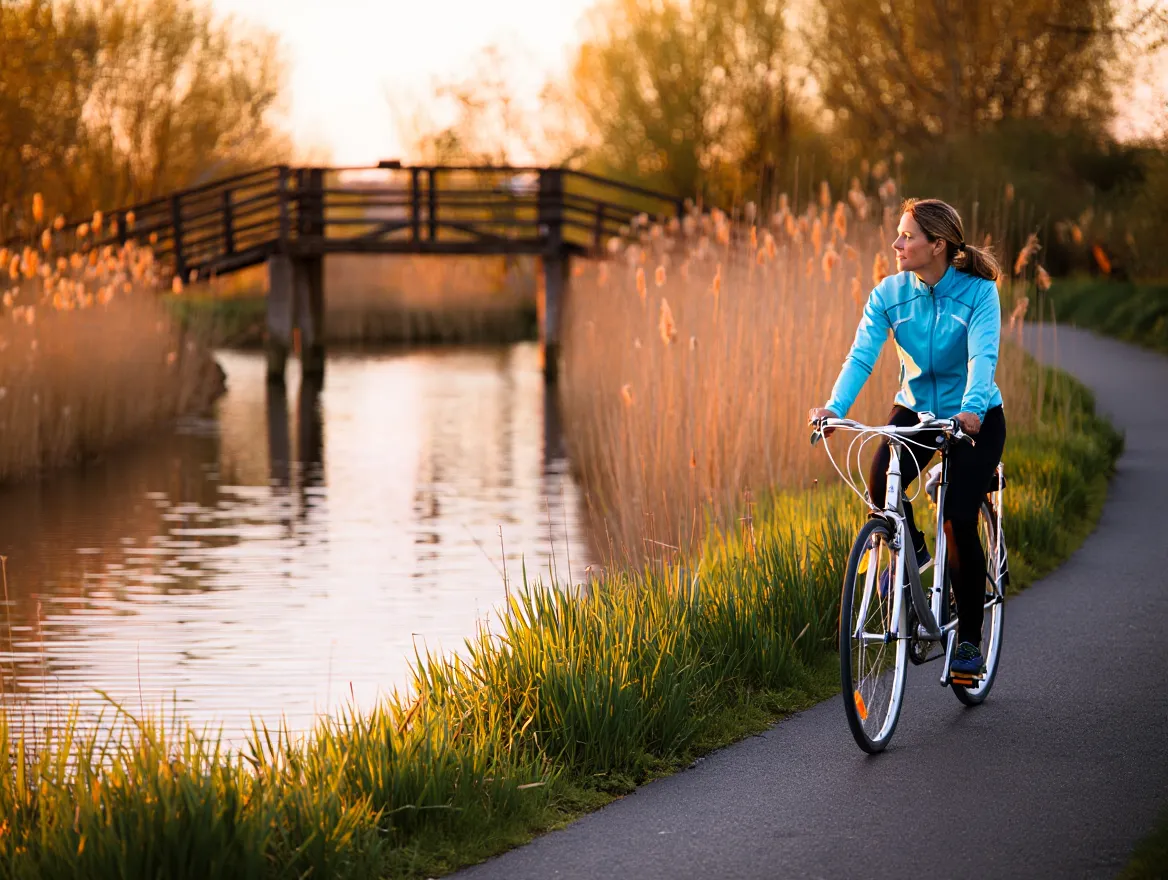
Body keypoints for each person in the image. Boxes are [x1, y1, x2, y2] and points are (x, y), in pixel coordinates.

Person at [808, 198, 1007, 678]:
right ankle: (910, 544)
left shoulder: (978, 293)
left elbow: (983, 358)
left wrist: (971, 412)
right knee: (880, 483)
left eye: (907, 236)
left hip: (974, 416)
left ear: (937, 245)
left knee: (959, 516)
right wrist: (835, 408)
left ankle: (969, 645)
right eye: (898, 234)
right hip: (915, 411)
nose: (896, 244)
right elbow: (860, 357)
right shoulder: (888, 293)